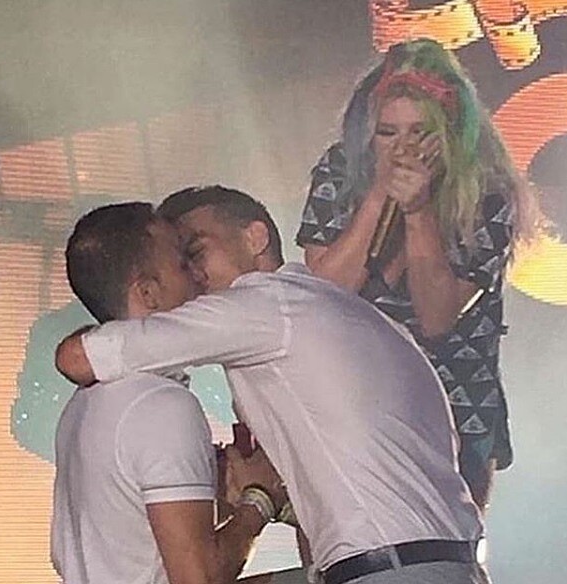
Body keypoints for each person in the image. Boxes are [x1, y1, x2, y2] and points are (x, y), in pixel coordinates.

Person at [57, 186, 486, 584]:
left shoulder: (263, 306)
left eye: (196, 252)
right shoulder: (340, 314)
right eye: (183, 262)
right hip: (441, 565)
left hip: (392, 569)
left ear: (255, 237)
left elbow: (78, 358)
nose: (194, 275)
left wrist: (257, 501)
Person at [296, 38, 541, 513]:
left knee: (446, 541)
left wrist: (417, 211)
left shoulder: (488, 193)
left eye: (419, 132)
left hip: (454, 404)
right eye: (388, 133)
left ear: (450, 132)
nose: (403, 148)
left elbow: (437, 318)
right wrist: (378, 195)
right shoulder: (340, 171)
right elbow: (326, 293)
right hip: (357, 397)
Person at [51, 202, 288, 584]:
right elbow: (197, 578)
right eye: (182, 263)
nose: (197, 274)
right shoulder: (161, 405)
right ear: (148, 292)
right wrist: (260, 498)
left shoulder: (82, 404)